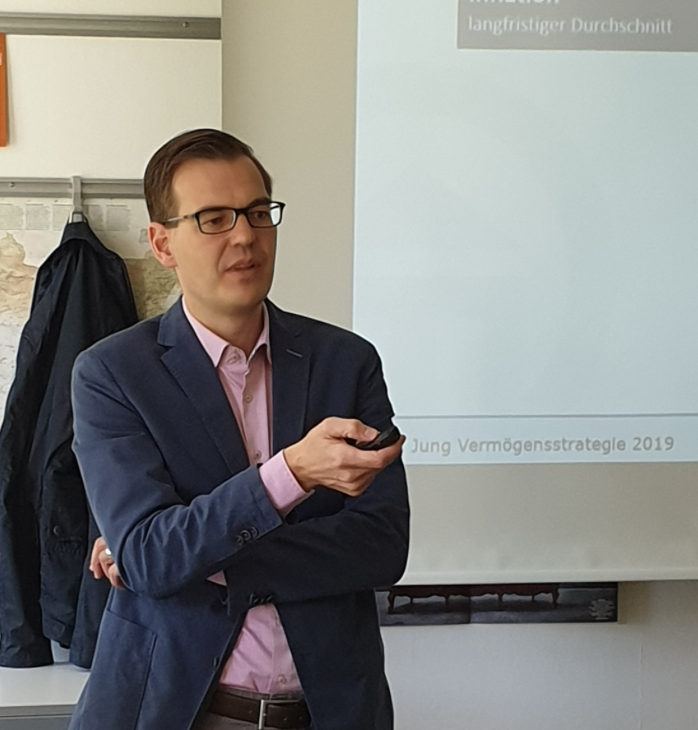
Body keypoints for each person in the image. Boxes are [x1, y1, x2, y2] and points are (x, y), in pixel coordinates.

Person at [68, 128, 410, 730]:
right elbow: (150, 556)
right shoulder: (113, 373)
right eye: (214, 218)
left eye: (257, 212)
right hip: (179, 711)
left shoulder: (346, 362)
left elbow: (381, 546)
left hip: (329, 710)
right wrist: (291, 473)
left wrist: (196, 558)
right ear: (162, 243)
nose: (246, 235)